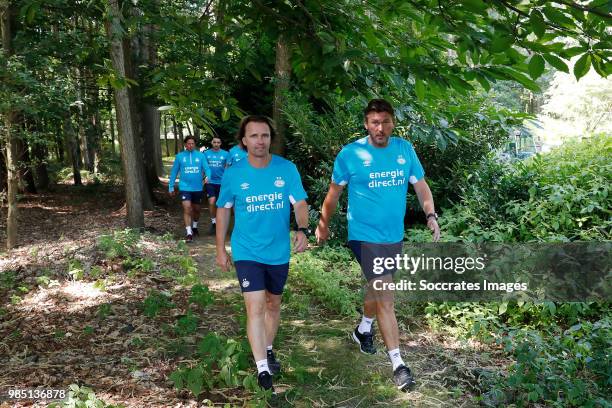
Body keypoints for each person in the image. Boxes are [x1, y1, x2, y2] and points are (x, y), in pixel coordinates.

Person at [315, 99, 440, 391]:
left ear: (392, 122)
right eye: (374, 122)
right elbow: (333, 195)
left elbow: (420, 185)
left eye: (384, 121)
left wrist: (430, 214)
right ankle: (398, 363)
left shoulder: (404, 150)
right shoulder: (350, 154)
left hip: (392, 235)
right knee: (385, 293)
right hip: (363, 234)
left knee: (376, 287)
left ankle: (363, 329)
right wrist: (322, 224)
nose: (379, 127)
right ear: (366, 124)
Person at [215, 115, 309, 392]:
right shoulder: (234, 173)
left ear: (271, 138)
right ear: (244, 141)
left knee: (272, 304)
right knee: (255, 306)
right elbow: (223, 210)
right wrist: (221, 249)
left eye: (265, 136)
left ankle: (268, 348)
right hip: (247, 250)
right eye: (254, 136)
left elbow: (300, 202)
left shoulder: (286, 169)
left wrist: (302, 228)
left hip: (278, 251)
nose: (260, 141)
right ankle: (262, 368)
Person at [169, 135, 211, 242]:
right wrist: (171, 186)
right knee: (187, 208)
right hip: (184, 187)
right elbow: (174, 172)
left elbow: (207, 168)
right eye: (188, 143)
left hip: (197, 188)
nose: (190, 145)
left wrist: (208, 176)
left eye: (192, 143)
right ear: (185, 144)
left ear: (195, 144)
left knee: (196, 210)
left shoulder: (201, 156)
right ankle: (188, 233)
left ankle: (195, 226)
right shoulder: (179, 156)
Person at [203, 137, 229, 235]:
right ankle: (214, 223)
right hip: (210, 182)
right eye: (214, 142)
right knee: (212, 201)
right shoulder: (206, 154)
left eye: (218, 142)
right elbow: (203, 167)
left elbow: (228, 168)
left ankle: (222, 224)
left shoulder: (226, 154)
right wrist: (203, 178)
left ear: (221, 143)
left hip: (222, 183)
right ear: (211, 143)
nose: (216, 144)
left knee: (222, 204)